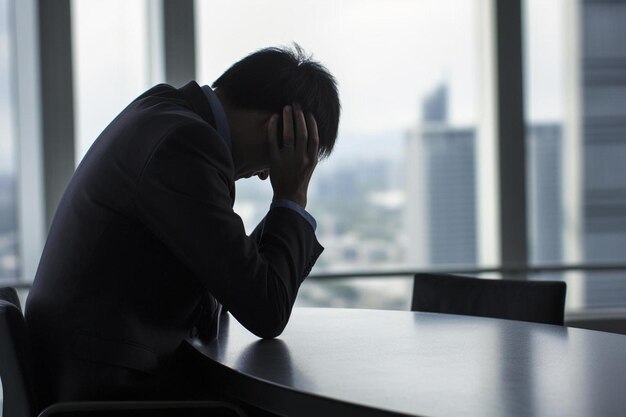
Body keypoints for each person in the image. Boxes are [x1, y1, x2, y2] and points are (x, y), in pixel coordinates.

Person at [25, 45, 340, 409]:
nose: (265, 173)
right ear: (278, 127)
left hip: (87, 376)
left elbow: (231, 276)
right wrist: (292, 195)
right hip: (107, 394)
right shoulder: (186, 144)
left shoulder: (163, 112)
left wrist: (283, 206)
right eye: (285, 153)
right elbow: (266, 310)